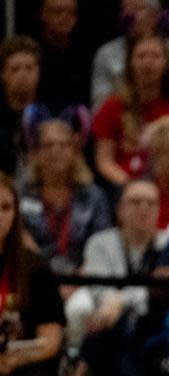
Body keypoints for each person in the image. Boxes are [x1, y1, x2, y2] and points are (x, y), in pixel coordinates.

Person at [68, 180, 163, 376]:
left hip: (152, 317)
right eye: (135, 202)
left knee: (129, 326)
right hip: (107, 320)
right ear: (120, 209)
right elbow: (101, 290)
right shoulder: (100, 243)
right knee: (116, 326)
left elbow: (160, 292)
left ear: (159, 210)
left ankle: (83, 371)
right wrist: (121, 302)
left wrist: (121, 300)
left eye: (150, 203)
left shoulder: (167, 244)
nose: (143, 208)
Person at [92, 32, 169, 187]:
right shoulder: (112, 106)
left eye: (155, 56)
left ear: (166, 63)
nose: (148, 63)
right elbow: (104, 161)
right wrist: (130, 185)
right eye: (141, 56)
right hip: (126, 188)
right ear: (130, 62)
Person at [18, 117, 112, 275]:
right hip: (32, 276)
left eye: (63, 145)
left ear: (75, 152)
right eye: (48, 145)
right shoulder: (21, 194)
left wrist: (79, 282)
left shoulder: (94, 196)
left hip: (85, 279)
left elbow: (102, 243)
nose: (56, 151)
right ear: (36, 153)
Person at [0, 173, 63, 376]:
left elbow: (50, 339)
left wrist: (16, 359)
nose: (0, 216)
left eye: (6, 208)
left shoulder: (36, 267)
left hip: (21, 364)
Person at [90, 0, 169, 107]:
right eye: (125, 9)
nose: (129, 15)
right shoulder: (106, 54)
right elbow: (99, 106)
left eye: (137, 9)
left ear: (155, 14)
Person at [33, 0, 90, 112]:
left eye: (71, 13)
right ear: (43, 15)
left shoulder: (85, 55)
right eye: (58, 12)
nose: (65, 17)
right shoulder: (32, 54)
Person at [0, 37, 41, 177]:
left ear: (38, 72)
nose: (23, 75)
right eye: (15, 69)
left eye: (29, 68)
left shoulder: (47, 113)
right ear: (3, 74)